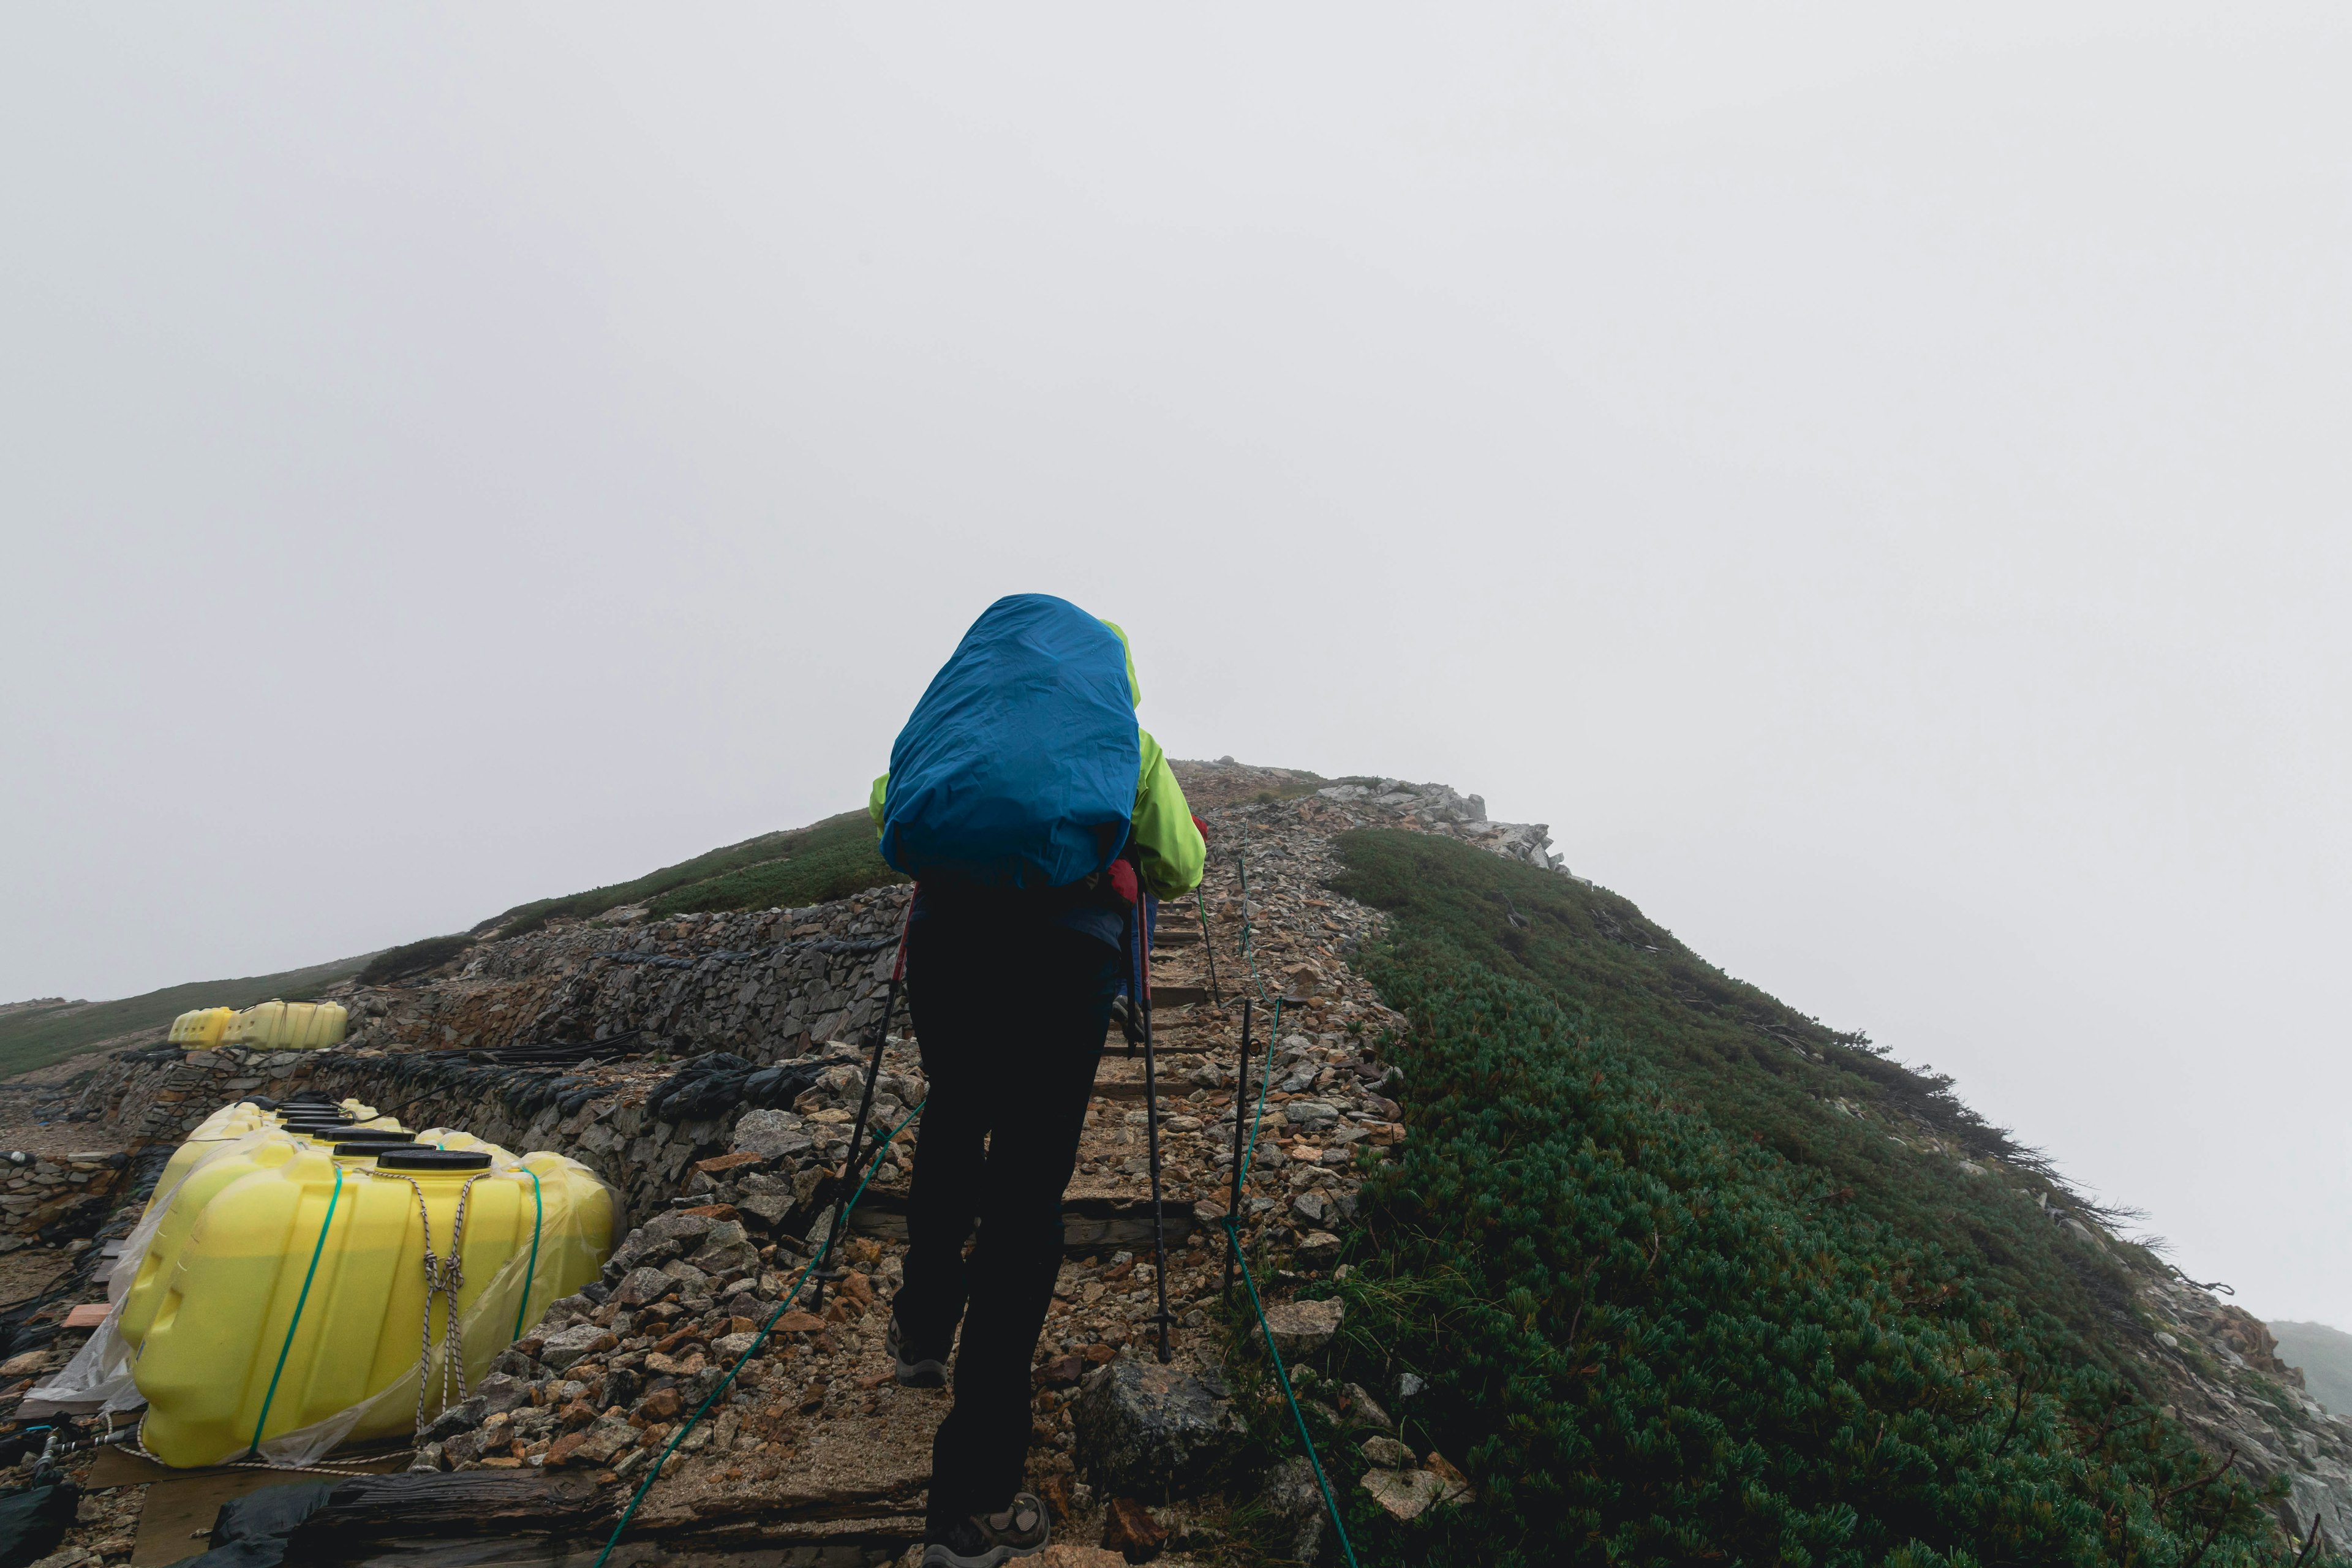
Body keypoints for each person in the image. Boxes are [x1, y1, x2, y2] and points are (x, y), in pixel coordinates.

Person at [867, 595, 1205, 1568]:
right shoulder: (1123, 742)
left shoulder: (952, 724)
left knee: (953, 1111)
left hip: (946, 947)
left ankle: (922, 1330)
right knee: (1025, 1197)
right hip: (1065, 959)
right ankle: (971, 1500)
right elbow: (1178, 867)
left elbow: (889, 813)